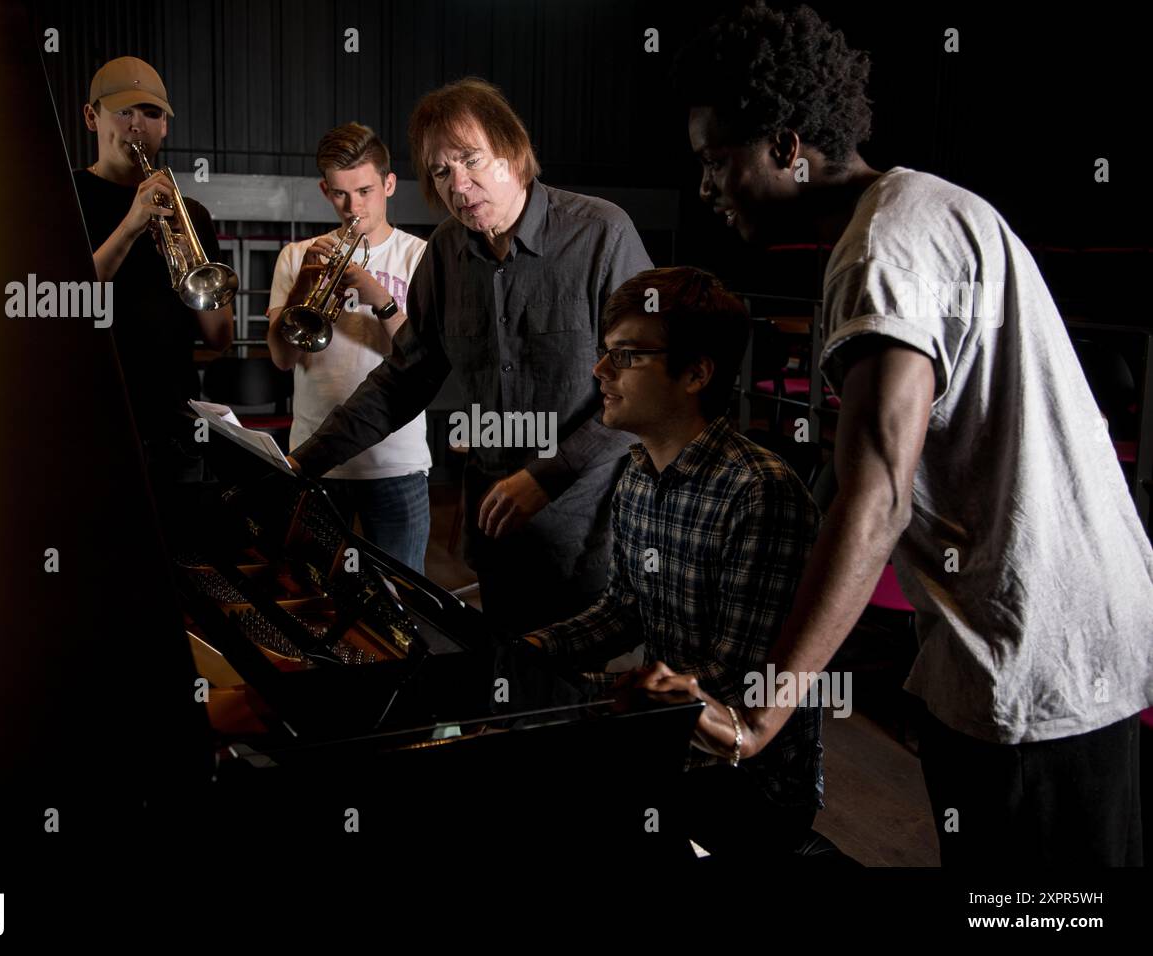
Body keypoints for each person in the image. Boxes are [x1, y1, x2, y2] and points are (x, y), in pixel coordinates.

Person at [650, 1, 1152, 866]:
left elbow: (877, 492)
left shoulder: (882, 246)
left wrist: (759, 713)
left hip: (1034, 661)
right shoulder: (923, 209)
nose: (706, 188)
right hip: (1064, 641)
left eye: (715, 161)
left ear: (783, 148)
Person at [285, 78, 653, 635]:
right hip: (495, 527)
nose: (459, 185)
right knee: (506, 686)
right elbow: (403, 378)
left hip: (590, 527)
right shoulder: (444, 257)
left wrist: (547, 476)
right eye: (440, 171)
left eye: (471, 160)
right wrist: (301, 463)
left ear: (513, 151)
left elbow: (646, 386)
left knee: (570, 706)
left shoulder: (603, 234)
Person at [525, 266, 822, 855]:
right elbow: (624, 610)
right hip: (663, 739)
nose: (600, 371)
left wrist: (580, 696)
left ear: (695, 373)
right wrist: (531, 653)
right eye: (607, 353)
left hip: (745, 777)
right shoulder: (637, 471)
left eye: (627, 356)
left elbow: (739, 677)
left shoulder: (760, 491)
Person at [266, 123, 432, 573]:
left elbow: (425, 357)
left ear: (389, 184)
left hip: (396, 462)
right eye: (340, 194)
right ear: (325, 190)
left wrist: (377, 294)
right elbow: (282, 359)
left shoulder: (420, 257)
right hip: (316, 460)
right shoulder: (296, 255)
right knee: (314, 597)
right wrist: (304, 284)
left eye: (365, 191)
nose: (353, 207)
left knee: (403, 606)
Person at [73, 55, 233, 496]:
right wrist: (130, 226)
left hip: (174, 424)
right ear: (92, 117)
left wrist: (184, 265)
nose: (137, 125)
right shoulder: (67, 198)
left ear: (164, 126)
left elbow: (219, 337)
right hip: (93, 420)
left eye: (151, 113)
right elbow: (66, 304)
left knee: (178, 558)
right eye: (123, 111)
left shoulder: (190, 214)